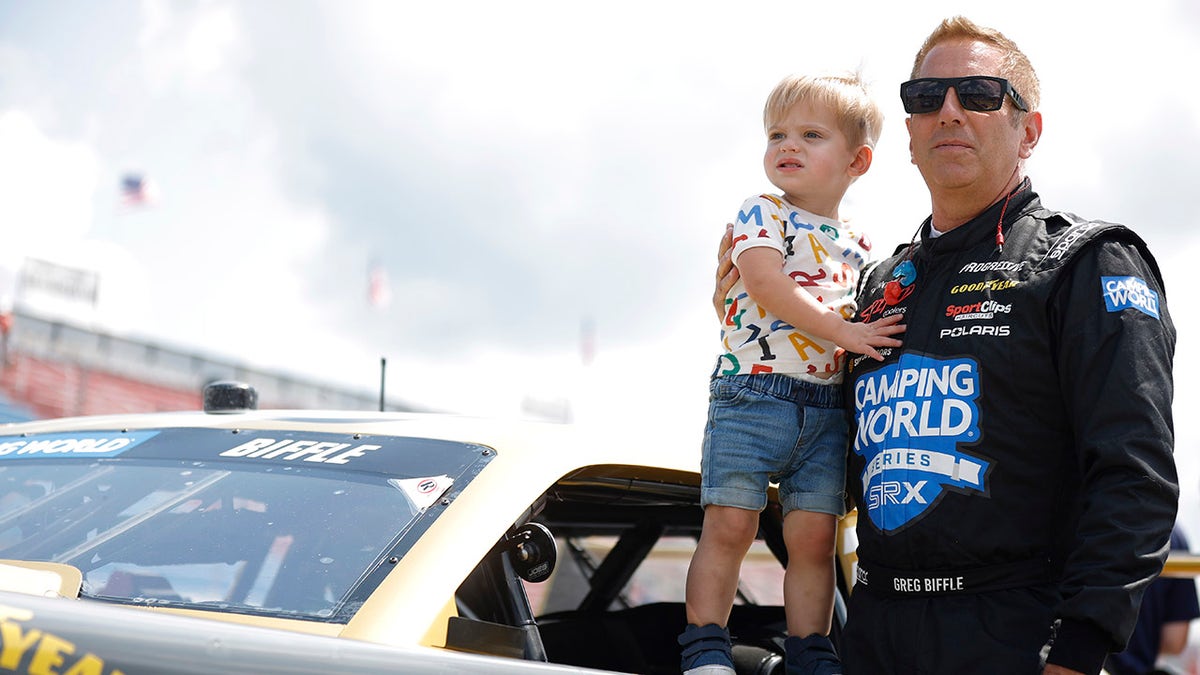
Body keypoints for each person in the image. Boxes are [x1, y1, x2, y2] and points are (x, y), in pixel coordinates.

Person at [712, 16, 1178, 675]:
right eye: (926, 98)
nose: (949, 112)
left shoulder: (1086, 262)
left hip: (1017, 637)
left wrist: (1077, 651)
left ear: (1029, 130)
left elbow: (1136, 476)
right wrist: (748, 322)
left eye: (980, 94)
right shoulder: (873, 285)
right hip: (874, 633)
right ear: (907, 134)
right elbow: (814, 459)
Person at [681, 73, 904, 675]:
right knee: (730, 523)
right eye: (777, 133)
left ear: (858, 161)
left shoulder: (860, 242)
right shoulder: (762, 211)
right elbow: (763, 283)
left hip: (826, 409)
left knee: (812, 542)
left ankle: (812, 651)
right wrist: (845, 333)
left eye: (811, 134)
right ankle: (705, 643)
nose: (790, 145)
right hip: (753, 394)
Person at [1106, 526, 1200, 675]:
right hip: (1136, 668)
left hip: (1075, 661)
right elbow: (1175, 640)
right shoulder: (1174, 537)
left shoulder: (1087, 518)